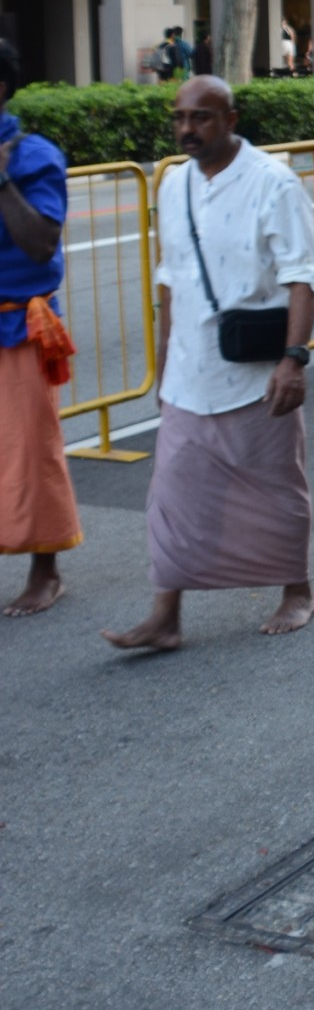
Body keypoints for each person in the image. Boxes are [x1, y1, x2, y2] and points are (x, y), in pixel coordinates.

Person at [102, 77, 314, 651]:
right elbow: (170, 281)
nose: (186, 129)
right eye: (179, 118)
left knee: (275, 488)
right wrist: (163, 367)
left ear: (231, 118)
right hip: (188, 372)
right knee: (171, 495)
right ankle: (165, 616)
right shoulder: (172, 185)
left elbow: (303, 278)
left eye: (200, 117)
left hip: (256, 373)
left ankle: (297, 589)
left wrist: (294, 360)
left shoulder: (273, 183)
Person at [0, 40, 81, 615]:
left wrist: (1, 184)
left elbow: (42, 243)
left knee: (32, 451)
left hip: (17, 326)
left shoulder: (35, 157)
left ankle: (46, 571)